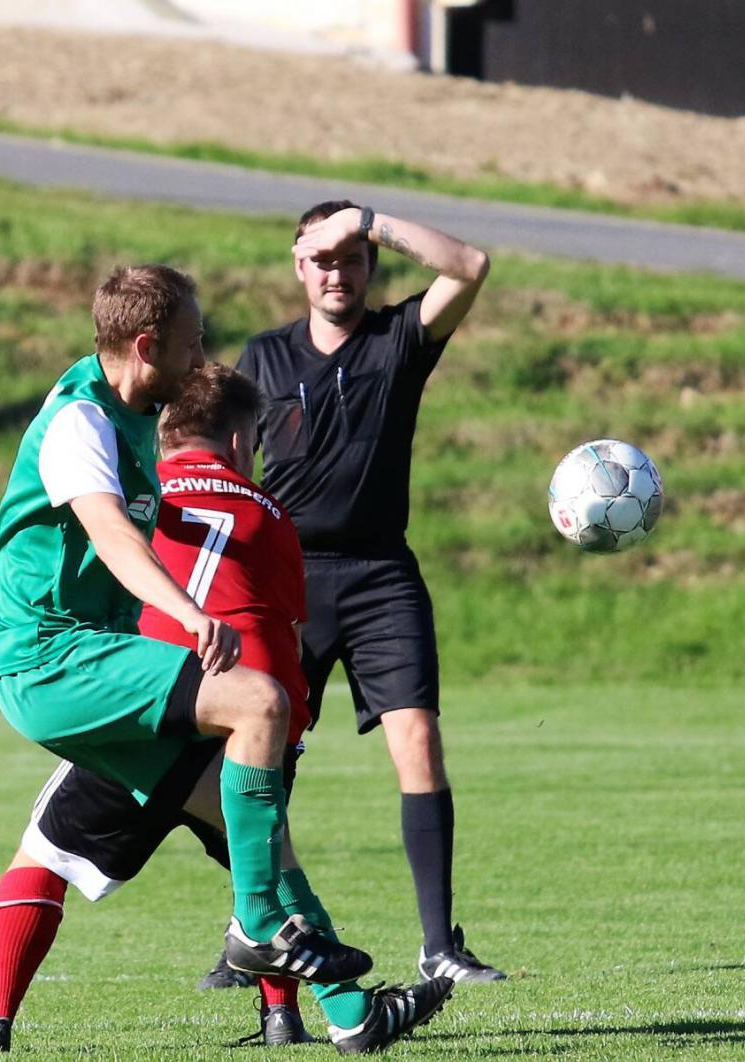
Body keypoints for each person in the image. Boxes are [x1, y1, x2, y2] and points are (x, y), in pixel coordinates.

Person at [0, 363, 452, 1054]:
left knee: (44, 856)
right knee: (263, 861)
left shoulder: (126, 486)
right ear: (240, 444)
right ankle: (314, 1016)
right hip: (236, 718)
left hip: (142, 696)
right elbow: (288, 642)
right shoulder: (271, 516)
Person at [234, 201, 504, 985]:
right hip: (288, 577)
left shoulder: (399, 340)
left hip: (382, 574)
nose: (335, 272)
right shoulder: (262, 358)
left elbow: (470, 266)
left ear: (368, 266)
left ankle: (439, 949)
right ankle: (251, 933)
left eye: (349, 258)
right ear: (297, 267)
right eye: (320, 259)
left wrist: (368, 218)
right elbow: (221, 463)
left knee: (416, 739)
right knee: (264, 759)